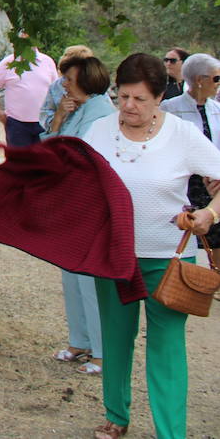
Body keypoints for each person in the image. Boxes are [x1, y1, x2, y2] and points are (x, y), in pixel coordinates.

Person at [80, 53, 220, 439]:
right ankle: (116, 416)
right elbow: (79, 185)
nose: (129, 106)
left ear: (159, 97)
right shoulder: (99, 132)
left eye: (140, 99)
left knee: (167, 346)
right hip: (114, 256)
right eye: (123, 96)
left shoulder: (182, 134)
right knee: (115, 338)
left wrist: (209, 214)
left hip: (169, 259)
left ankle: (170, 432)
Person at [40, 55, 115, 377]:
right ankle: (79, 341)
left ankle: (101, 352)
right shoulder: (75, 109)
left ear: (86, 81)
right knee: (71, 276)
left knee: (90, 283)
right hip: (70, 202)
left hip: (91, 206)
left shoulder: (102, 113)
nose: (64, 86)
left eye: (69, 80)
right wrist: (58, 119)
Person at [161, 52, 220, 244]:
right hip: (185, 185)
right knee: (184, 241)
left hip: (213, 185)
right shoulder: (169, 109)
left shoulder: (217, 109)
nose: (218, 83)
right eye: (216, 78)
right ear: (199, 80)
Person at [0, 35, 59, 147]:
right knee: (18, 157)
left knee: (43, 157)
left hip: (44, 123)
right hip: (17, 124)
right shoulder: (8, 63)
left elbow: (55, 90)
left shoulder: (47, 62)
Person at [39, 46, 96, 132]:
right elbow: (45, 113)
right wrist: (59, 115)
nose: (65, 84)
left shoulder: (97, 86)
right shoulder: (56, 87)